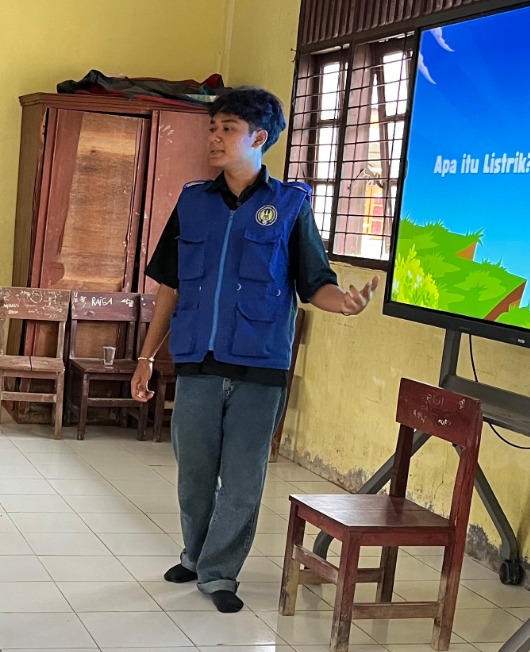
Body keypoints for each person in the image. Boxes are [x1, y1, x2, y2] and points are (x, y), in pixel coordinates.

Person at [130, 86, 376, 614]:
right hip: (197, 361)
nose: (214, 138)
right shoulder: (192, 202)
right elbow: (169, 286)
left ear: (259, 137)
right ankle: (195, 556)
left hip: (260, 366)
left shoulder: (290, 206)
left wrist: (344, 305)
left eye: (228, 129)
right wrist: (147, 357)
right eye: (212, 128)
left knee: (242, 480)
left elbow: (314, 283)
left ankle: (219, 573)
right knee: (194, 475)